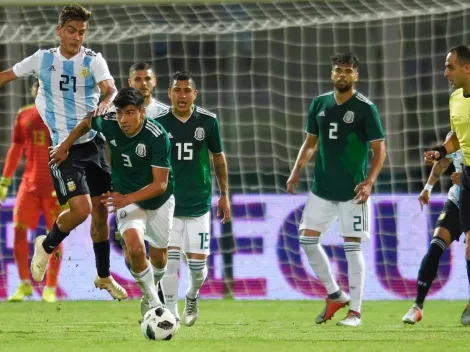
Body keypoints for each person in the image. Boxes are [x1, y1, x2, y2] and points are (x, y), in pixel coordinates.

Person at [0, 4, 127, 300]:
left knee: (99, 214)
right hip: (63, 148)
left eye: (82, 32)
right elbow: (7, 75)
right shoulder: (43, 59)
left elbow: (110, 89)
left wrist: (106, 103)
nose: (77, 37)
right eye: (71, 31)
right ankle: (46, 246)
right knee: (80, 210)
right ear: (59, 31)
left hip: (94, 144)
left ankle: (104, 275)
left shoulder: (93, 60)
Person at [49, 87, 174, 316]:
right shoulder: (109, 123)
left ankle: (153, 289)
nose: (123, 119)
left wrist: (127, 198)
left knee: (159, 258)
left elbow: (160, 185)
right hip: (125, 197)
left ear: (142, 112)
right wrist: (65, 146)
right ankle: (155, 303)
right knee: (135, 249)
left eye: (130, 113)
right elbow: (88, 121)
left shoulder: (157, 136)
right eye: (119, 113)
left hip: (158, 199)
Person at [286, 52, 386, 327]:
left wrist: (369, 182)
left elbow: (379, 150)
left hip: (353, 192)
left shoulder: (366, 108)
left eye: (348, 71)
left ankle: (355, 312)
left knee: (352, 249)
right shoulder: (319, 103)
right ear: (332, 74)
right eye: (338, 70)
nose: (342, 75)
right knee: (306, 240)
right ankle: (334, 293)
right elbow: (310, 143)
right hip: (322, 189)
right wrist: (296, 171)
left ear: (356, 75)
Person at [157, 71, 231, 327]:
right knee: (170, 264)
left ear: (194, 94)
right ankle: (170, 315)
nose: (182, 95)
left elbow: (219, 158)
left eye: (187, 90)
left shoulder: (208, 122)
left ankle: (192, 296)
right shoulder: (158, 122)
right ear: (169, 94)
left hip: (199, 205)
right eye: (177, 90)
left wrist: (224, 195)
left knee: (198, 271)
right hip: (167, 205)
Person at [0, 80, 62, 303]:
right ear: (33, 90)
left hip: (55, 188)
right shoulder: (24, 114)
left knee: (55, 237)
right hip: (29, 186)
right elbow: (16, 147)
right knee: (17, 232)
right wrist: (5, 180)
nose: (41, 89)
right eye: (38, 86)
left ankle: (51, 287)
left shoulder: (64, 115)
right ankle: (25, 284)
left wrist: (68, 185)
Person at [423, 44, 470, 325]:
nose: (445, 73)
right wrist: (441, 151)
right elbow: (455, 136)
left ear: (467, 67)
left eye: (450, 66)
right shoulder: (455, 99)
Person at [403, 133, 464, 324]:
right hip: (458, 200)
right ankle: (417, 306)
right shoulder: (455, 135)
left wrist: (467, 179)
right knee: (436, 245)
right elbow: (444, 161)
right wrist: (428, 187)